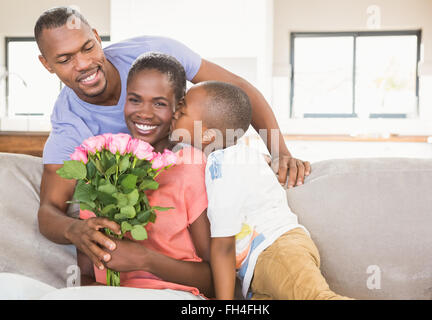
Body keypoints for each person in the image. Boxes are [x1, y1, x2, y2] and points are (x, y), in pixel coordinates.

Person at [35, 6, 311, 273]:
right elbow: (50, 209)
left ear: (96, 35)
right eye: (64, 59)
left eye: (87, 47)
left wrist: (279, 151)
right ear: (46, 65)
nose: (83, 63)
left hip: (199, 175)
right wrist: (73, 230)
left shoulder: (152, 53)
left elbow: (236, 89)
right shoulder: (69, 124)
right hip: (168, 208)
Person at [171, 81, 352, 300]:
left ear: (208, 135)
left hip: (277, 251)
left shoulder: (223, 164)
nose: (173, 115)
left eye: (181, 113)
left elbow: (223, 245)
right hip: (257, 272)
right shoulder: (238, 157)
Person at [77, 52, 213, 297]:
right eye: (135, 100)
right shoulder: (101, 164)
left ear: (178, 107)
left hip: (174, 294)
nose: (144, 113)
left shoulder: (191, 167)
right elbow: (85, 275)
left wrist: (146, 259)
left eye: (159, 103)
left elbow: (215, 278)